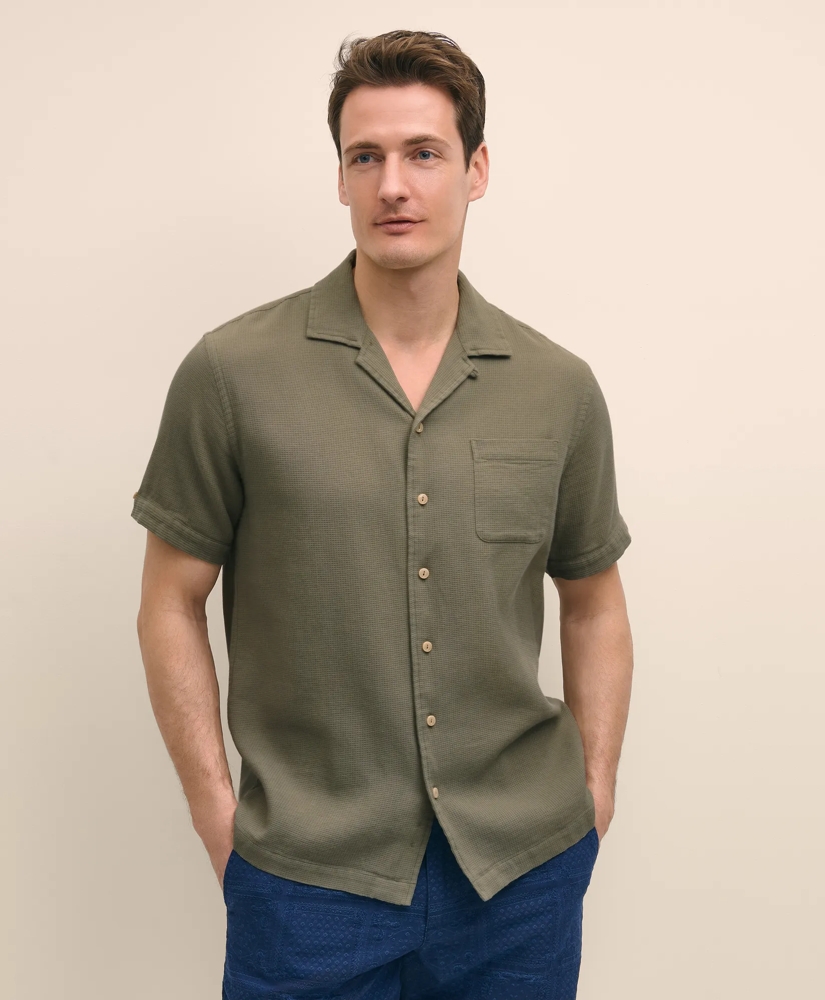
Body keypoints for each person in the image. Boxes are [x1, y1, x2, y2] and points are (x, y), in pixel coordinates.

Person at [132, 28, 633, 1000]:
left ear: (476, 169)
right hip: (307, 878)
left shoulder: (558, 387)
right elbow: (168, 602)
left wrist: (594, 792)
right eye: (365, 157)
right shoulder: (233, 374)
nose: (393, 185)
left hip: (518, 876)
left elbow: (594, 602)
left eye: (423, 153)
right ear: (339, 177)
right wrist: (217, 816)